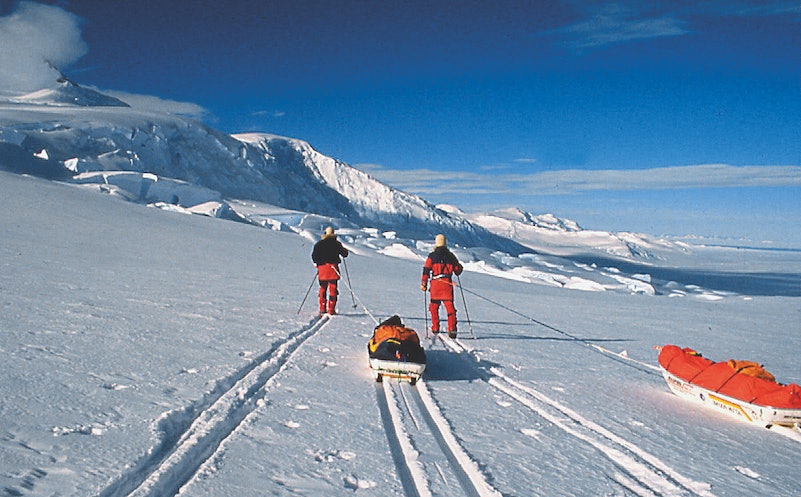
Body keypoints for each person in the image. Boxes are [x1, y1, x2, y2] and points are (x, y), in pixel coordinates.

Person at [421, 234, 463, 338]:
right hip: (447, 285)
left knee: (434, 307)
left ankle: (435, 327)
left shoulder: (432, 256)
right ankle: (452, 329)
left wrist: (424, 283)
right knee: (450, 308)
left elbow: (426, 270)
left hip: (436, 285)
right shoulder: (451, 256)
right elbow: (458, 270)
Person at [311, 226, 349, 315]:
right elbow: (345, 254)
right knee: (333, 289)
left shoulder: (319, 244)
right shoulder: (337, 244)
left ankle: (322, 308)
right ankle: (331, 309)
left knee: (322, 288)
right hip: (333, 268)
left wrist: (318, 263)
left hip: (322, 269)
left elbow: (314, 257)